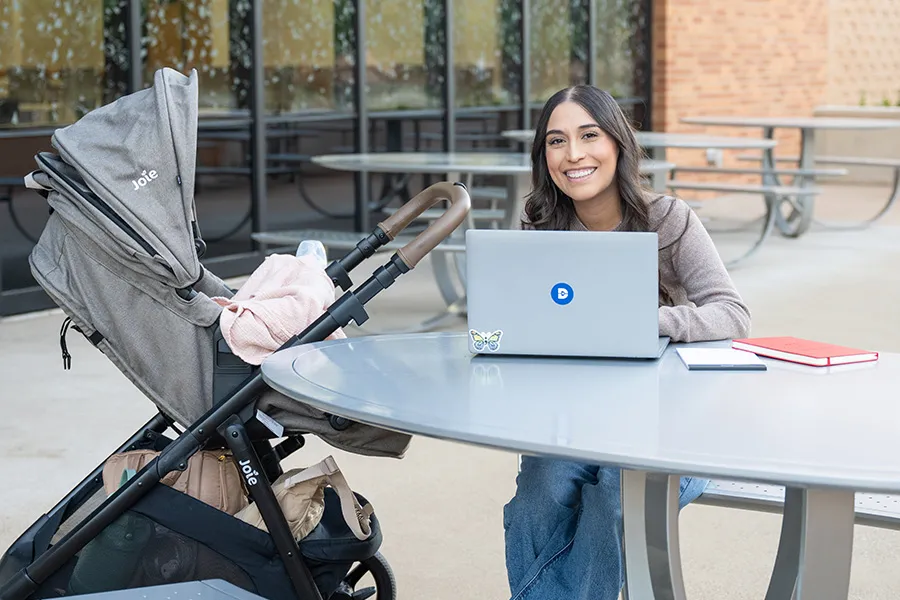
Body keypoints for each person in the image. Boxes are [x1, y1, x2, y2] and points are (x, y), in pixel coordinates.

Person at [503, 84, 752, 600]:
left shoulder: (669, 219)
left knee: (619, 496)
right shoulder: (540, 227)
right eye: (556, 141)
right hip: (577, 418)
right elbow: (520, 322)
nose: (573, 155)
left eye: (588, 135)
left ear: (617, 142)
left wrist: (652, 320)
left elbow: (732, 313)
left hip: (670, 424)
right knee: (537, 498)